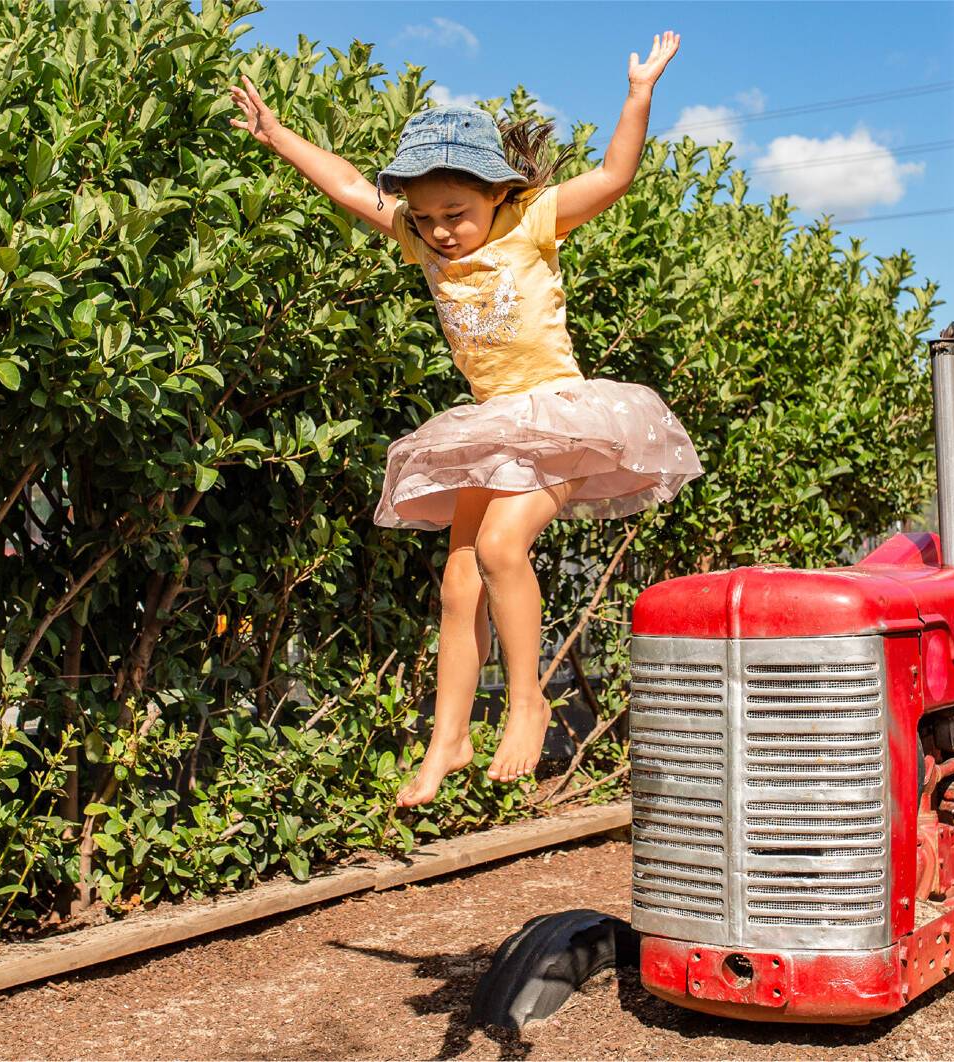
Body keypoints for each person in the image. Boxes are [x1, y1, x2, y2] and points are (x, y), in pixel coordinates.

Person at [228, 33, 701, 797]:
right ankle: (447, 738)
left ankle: (527, 700)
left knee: (503, 546)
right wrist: (278, 134)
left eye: (456, 211)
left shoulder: (532, 221)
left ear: (497, 194)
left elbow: (614, 176)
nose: (442, 228)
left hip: (555, 417)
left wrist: (638, 92)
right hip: (488, 429)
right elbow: (350, 187)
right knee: (457, 584)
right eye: (425, 214)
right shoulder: (424, 245)